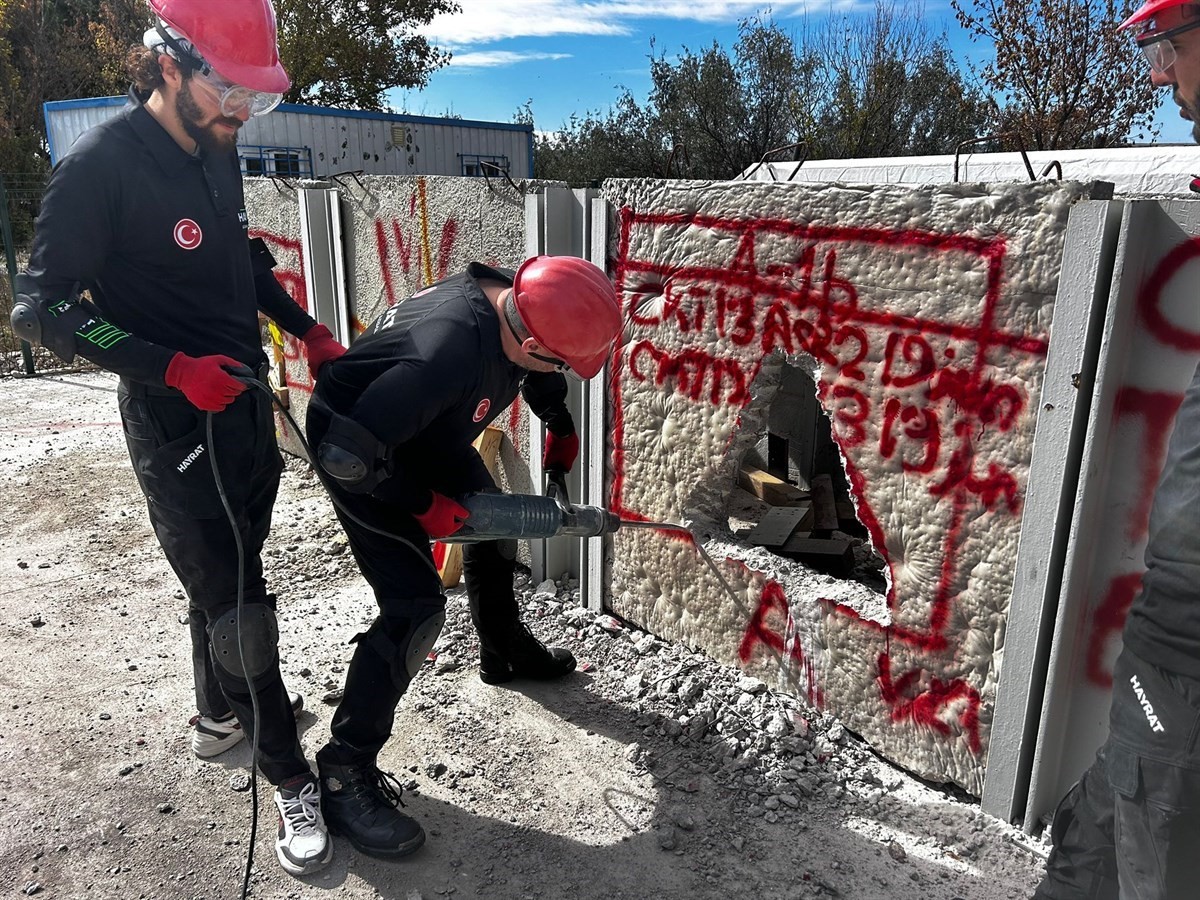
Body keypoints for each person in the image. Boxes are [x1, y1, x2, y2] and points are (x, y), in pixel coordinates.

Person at [21, 0, 346, 878]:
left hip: (241, 408)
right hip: (174, 424)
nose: (243, 113)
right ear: (168, 63)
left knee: (226, 569)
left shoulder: (218, 146)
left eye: (256, 98)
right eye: (230, 91)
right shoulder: (100, 171)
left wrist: (304, 328)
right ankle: (288, 774)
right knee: (242, 599)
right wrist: (167, 369)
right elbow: (40, 310)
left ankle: (218, 719)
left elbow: (237, 263)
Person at [303, 256, 622, 859]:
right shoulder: (442, 353)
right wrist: (423, 506)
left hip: (427, 431)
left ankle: (504, 647)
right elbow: (346, 453)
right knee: (416, 609)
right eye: (558, 362)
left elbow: (534, 361)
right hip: (361, 452)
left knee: (494, 531)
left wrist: (556, 416)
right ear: (529, 339)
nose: (562, 371)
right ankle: (344, 768)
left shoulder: (512, 295)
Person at [1034, 2, 1200, 897]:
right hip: (1167, 642)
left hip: (1188, 655)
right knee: (1091, 846)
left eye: (1167, 45)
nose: (1156, 74)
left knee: (1155, 858)